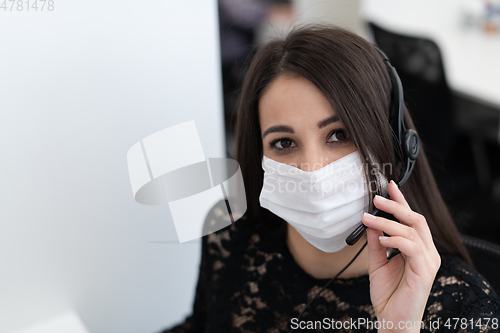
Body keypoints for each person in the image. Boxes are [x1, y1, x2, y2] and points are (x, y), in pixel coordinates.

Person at [160, 24, 500, 333]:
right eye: (283, 143)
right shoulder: (229, 233)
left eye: (339, 135)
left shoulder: (464, 306)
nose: (312, 169)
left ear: (396, 146)